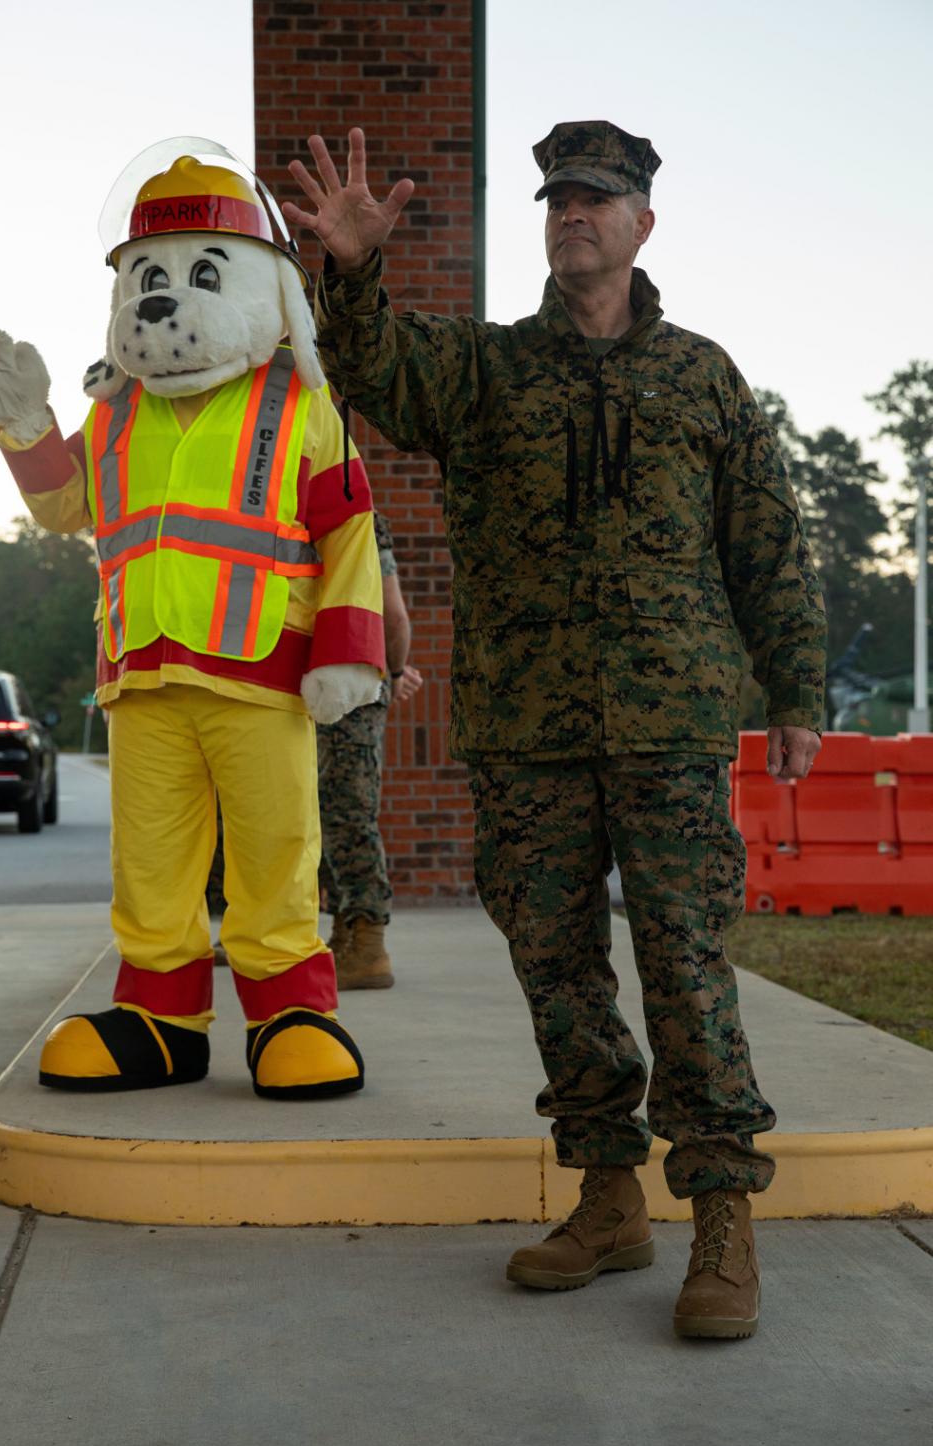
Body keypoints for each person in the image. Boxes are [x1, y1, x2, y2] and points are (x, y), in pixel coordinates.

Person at [283, 122, 826, 1339]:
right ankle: (608, 1196)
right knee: (557, 968)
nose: (572, 212)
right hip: (528, 728)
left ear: (642, 225)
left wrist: (794, 693)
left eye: (599, 198)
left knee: (686, 965)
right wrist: (354, 271)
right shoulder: (484, 370)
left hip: (673, 724)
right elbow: (370, 370)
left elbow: (767, 543)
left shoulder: (704, 378)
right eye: (557, 198)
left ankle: (724, 1218)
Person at [318, 508, 423, 989]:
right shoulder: (346, 504)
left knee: (345, 813)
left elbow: (393, 612)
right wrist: (394, 670)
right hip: (342, 681)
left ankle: (369, 944)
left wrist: (394, 672)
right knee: (332, 814)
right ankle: (347, 935)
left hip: (346, 685)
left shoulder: (352, 513)